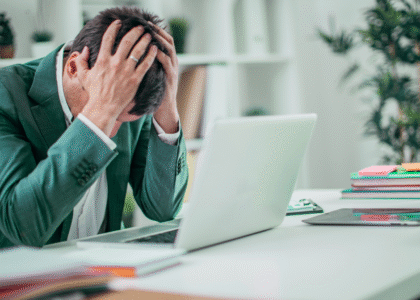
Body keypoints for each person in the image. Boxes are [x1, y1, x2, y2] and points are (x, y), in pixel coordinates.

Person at [0, 6, 188, 249]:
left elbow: (162, 209)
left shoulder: (129, 93)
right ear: (74, 67)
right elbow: (23, 227)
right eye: (113, 113)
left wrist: (167, 108)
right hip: (25, 278)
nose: (111, 132)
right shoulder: (6, 94)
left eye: (122, 118)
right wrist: (99, 114)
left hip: (103, 268)